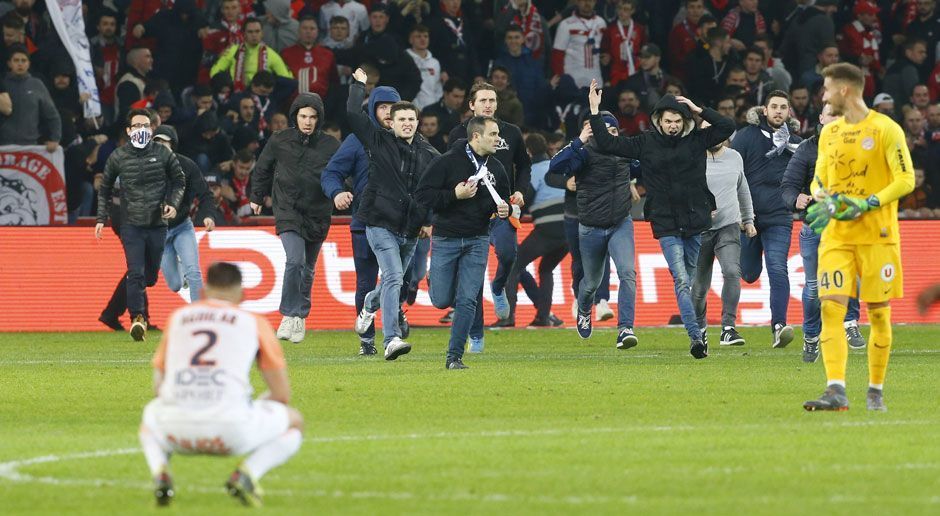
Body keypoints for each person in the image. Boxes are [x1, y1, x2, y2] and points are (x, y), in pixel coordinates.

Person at [587, 81, 735, 359]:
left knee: (688, 281)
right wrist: (595, 111)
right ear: (658, 120)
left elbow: (727, 127)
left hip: (695, 222)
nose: (673, 125)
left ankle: (697, 330)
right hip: (666, 224)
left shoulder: (697, 139)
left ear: (685, 121)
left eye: (678, 120)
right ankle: (696, 338)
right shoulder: (646, 143)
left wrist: (698, 109)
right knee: (681, 280)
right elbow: (607, 143)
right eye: (668, 121)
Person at [138, 262, 303, 507]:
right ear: (243, 295)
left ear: (203, 292)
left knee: (150, 414)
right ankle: (247, 474)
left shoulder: (179, 318)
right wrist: (249, 405)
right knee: (294, 421)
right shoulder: (252, 321)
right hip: (231, 432)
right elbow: (281, 395)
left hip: (177, 431)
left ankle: (160, 471)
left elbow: (158, 388)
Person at [802, 63, 915, 412]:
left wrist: (866, 203)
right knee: (830, 307)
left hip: (877, 236)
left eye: (826, 89)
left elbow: (905, 179)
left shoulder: (885, 129)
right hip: (837, 236)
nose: (823, 95)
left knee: (878, 315)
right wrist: (825, 199)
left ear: (845, 90)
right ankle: (835, 389)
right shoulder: (829, 133)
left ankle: (875, 390)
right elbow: (818, 180)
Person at [347, 67, 439, 360]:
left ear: (417, 122)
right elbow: (351, 114)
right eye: (402, 119)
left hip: (410, 230)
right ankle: (391, 339)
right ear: (392, 122)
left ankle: (368, 307)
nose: (407, 123)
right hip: (379, 223)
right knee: (395, 278)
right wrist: (357, 86)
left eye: (412, 119)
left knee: (392, 281)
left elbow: (435, 191)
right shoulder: (378, 141)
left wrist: (428, 221)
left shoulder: (429, 154)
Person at [416, 115, 512, 369]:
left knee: (469, 299)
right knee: (441, 301)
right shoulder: (446, 162)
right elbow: (423, 195)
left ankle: (454, 357)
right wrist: (453, 195)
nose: (497, 139)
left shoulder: (498, 168)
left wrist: (505, 210)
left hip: (478, 239)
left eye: (498, 134)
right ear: (476, 136)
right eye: (493, 134)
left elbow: (504, 199)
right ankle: (433, 279)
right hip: (446, 237)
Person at [321, 81, 410, 356]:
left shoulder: (409, 139)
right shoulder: (358, 139)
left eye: (392, 108)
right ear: (372, 109)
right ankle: (368, 341)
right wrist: (336, 193)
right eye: (382, 107)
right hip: (366, 221)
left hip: (402, 223)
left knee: (406, 279)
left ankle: (391, 307)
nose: (387, 112)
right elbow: (330, 172)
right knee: (366, 281)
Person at [249, 93, 339, 344]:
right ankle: (289, 314)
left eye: (312, 117)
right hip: (287, 209)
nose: (308, 121)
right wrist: (256, 196)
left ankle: (300, 317)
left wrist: (343, 191)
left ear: (319, 118)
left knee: (308, 269)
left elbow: (345, 173)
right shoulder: (279, 140)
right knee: (295, 260)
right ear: (295, 117)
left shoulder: (332, 145)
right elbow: (262, 168)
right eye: (303, 116)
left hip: (319, 212)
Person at [781, 103, 865, 363]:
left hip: (845, 226)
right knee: (815, 289)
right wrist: (795, 198)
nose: (836, 118)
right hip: (815, 228)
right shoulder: (807, 150)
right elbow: (788, 186)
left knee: (851, 277)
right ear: (821, 118)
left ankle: (850, 322)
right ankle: (811, 338)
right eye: (831, 114)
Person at [95, 108, 186, 342]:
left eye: (145, 126)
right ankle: (139, 318)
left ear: (151, 129)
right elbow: (104, 188)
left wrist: (173, 204)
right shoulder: (118, 156)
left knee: (148, 276)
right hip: (129, 221)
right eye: (137, 126)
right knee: (135, 271)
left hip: (157, 223)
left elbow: (179, 181)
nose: (141, 130)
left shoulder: (163, 154)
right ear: (128, 130)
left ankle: (115, 313)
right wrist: (101, 219)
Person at [551, 112, 640, 348]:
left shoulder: (625, 152)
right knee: (590, 282)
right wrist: (579, 140)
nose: (609, 136)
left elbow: (650, 167)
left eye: (613, 131)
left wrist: (632, 183)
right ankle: (584, 308)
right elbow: (555, 166)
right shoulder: (583, 154)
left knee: (628, 273)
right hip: (590, 226)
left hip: (620, 222)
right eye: (604, 131)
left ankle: (625, 329)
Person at [448, 82, 531, 329]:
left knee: (508, 255)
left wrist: (520, 190)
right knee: (474, 273)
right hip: (470, 213)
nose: (488, 105)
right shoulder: (457, 135)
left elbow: (524, 165)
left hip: (501, 209)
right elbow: (450, 169)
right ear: (471, 105)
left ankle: (498, 286)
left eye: (492, 101)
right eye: (482, 100)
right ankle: (476, 333)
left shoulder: (512, 132)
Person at [732, 90, 802, 348]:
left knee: (777, 267)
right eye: (774, 106)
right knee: (749, 274)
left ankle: (779, 325)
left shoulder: (795, 142)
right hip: (747, 217)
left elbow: (806, 174)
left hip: (780, 216)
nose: (778, 111)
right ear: (765, 110)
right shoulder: (746, 136)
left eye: (783, 107)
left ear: (789, 112)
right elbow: (733, 173)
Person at [691, 121, 755, 348]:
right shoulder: (691, 156)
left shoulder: (735, 157)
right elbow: (681, 190)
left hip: (728, 225)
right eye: (709, 131)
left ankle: (728, 328)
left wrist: (748, 219)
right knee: (699, 288)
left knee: (731, 271)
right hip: (698, 230)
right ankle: (699, 327)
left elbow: (742, 188)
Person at [503, 133, 567, 327]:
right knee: (546, 269)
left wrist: (510, 221)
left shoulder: (533, 170)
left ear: (528, 152)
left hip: (549, 227)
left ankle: (507, 317)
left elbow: (525, 200)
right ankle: (543, 317)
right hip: (569, 229)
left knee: (513, 265)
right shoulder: (558, 167)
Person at [152, 125, 219, 302]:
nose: (159, 146)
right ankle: (180, 271)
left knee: (194, 271)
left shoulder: (187, 166)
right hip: (159, 232)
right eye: (156, 142)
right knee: (175, 285)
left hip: (182, 226)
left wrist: (208, 215)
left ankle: (199, 316)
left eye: (163, 142)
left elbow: (205, 194)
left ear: (172, 145)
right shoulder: (145, 168)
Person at [0, 45, 60, 149]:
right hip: (4, 145)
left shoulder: (37, 85)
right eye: (16, 60)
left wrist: (55, 139)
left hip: (30, 146)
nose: (20, 64)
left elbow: (52, 116)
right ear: (9, 63)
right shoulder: (2, 85)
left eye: (23, 61)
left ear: (29, 64)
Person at [211, 18, 293, 93]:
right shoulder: (233, 50)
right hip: (236, 94)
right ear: (244, 34)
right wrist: (224, 85)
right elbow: (215, 71)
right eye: (250, 32)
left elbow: (286, 79)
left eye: (257, 31)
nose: (254, 35)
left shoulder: (271, 54)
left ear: (262, 33)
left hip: (262, 95)